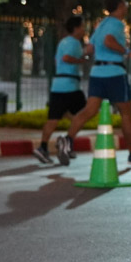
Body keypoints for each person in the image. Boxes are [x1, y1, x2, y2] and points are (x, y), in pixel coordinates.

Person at [57, 0, 131, 164]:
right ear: (120, 6)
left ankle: (67, 140)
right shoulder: (117, 24)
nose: (127, 7)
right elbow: (108, 41)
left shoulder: (101, 24)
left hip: (97, 72)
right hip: (114, 72)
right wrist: (128, 52)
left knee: (89, 111)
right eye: (125, 4)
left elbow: (89, 48)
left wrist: (80, 59)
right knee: (126, 113)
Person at [34, 16, 93, 164]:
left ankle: (44, 147)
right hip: (70, 86)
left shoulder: (64, 42)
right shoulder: (73, 42)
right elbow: (67, 58)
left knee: (56, 119)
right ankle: (67, 142)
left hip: (59, 86)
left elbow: (61, 59)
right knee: (86, 113)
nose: (84, 29)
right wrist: (83, 59)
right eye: (83, 26)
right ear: (77, 28)